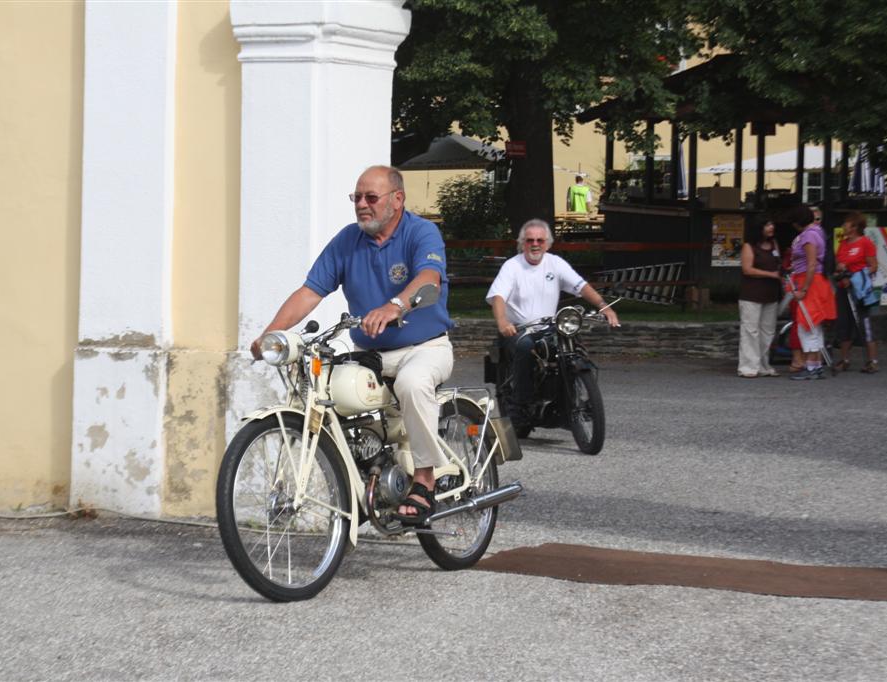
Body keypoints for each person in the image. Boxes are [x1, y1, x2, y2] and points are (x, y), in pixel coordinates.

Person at [251, 165, 453, 525]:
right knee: (331, 391)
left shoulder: (421, 232)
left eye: (370, 197)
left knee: (412, 383)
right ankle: (363, 482)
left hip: (426, 348)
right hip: (370, 356)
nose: (362, 204)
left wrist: (395, 306)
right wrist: (271, 334)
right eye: (356, 197)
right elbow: (310, 292)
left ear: (397, 200)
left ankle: (424, 479)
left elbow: (428, 278)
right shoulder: (347, 241)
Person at [486, 219, 620, 427]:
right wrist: (502, 322)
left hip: (550, 327)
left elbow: (581, 286)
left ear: (548, 243)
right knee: (525, 346)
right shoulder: (512, 266)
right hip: (520, 329)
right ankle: (521, 404)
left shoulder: (555, 263)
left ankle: (571, 402)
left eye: (540, 240)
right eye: (530, 240)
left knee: (575, 347)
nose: (535, 244)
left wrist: (605, 307)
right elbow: (498, 297)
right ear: (522, 243)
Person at [786, 205, 836, 380]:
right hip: (817, 281)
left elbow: (811, 264)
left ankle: (811, 366)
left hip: (810, 283)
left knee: (806, 325)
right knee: (814, 325)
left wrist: (804, 289)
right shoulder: (818, 231)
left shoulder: (808, 236)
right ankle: (815, 365)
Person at [834, 212, 880, 373]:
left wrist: (856, 276)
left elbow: (873, 266)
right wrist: (839, 270)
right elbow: (839, 262)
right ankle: (845, 359)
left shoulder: (865, 243)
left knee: (865, 323)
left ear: (854, 227)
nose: (843, 226)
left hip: (859, 289)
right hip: (843, 288)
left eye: (846, 224)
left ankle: (872, 360)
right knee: (844, 323)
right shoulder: (843, 243)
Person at [737, 218, 782, 377]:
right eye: (767, 224)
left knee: (767, 331)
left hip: (771, 294)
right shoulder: (749, 246)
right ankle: (748, 366)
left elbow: (778, 263)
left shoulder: (774, 244)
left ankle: (763, 364)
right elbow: (747, 269)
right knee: (751, 330)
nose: (771, 227)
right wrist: (771, 274)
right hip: (752, 294)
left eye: (772, 224)